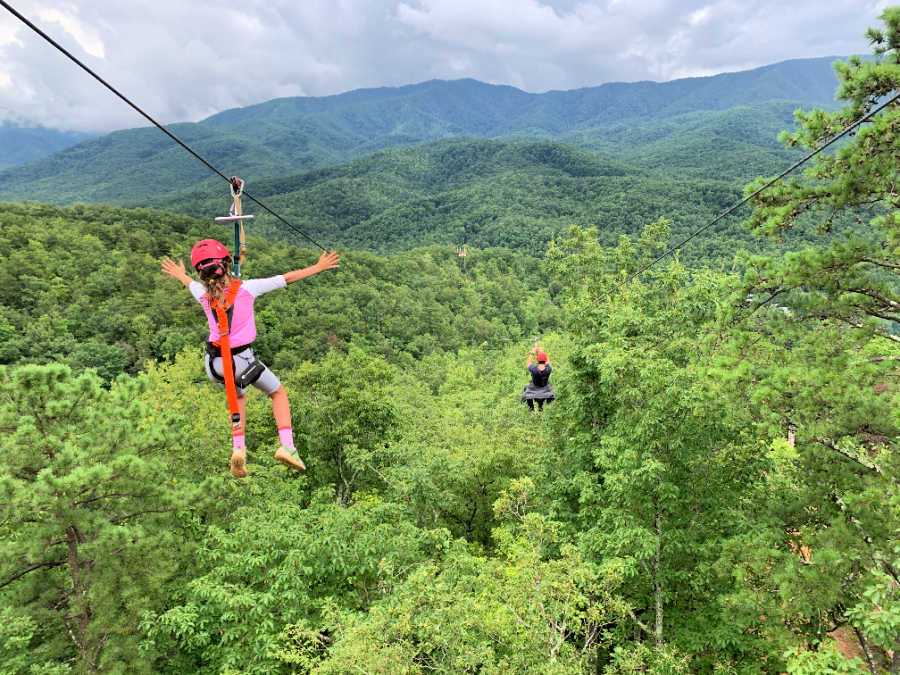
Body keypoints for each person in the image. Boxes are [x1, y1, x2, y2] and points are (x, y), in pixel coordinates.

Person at [161, 239, 340, 477]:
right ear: (225, 265)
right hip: (240, 361)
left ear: (203, 274)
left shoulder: (203, 294)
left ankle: (239, 449)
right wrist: (318, 267)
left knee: (239, 395)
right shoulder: (248, 289)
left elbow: (188, 282)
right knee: (278, 393)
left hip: (214, 364)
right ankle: (288, 445)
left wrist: (179, 273)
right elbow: (285, 278)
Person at [520, 344, 555, 412]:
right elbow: (549, 362)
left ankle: (531, 407)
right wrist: (542, 352)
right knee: (549, 387)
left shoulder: (534, 370)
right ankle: (540, 406)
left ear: (537, 361)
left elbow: (528, 362)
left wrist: (533, 352)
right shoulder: (548, 369)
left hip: (535, 387)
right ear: (545, 361)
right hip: (544, 386)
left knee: (526, 388)